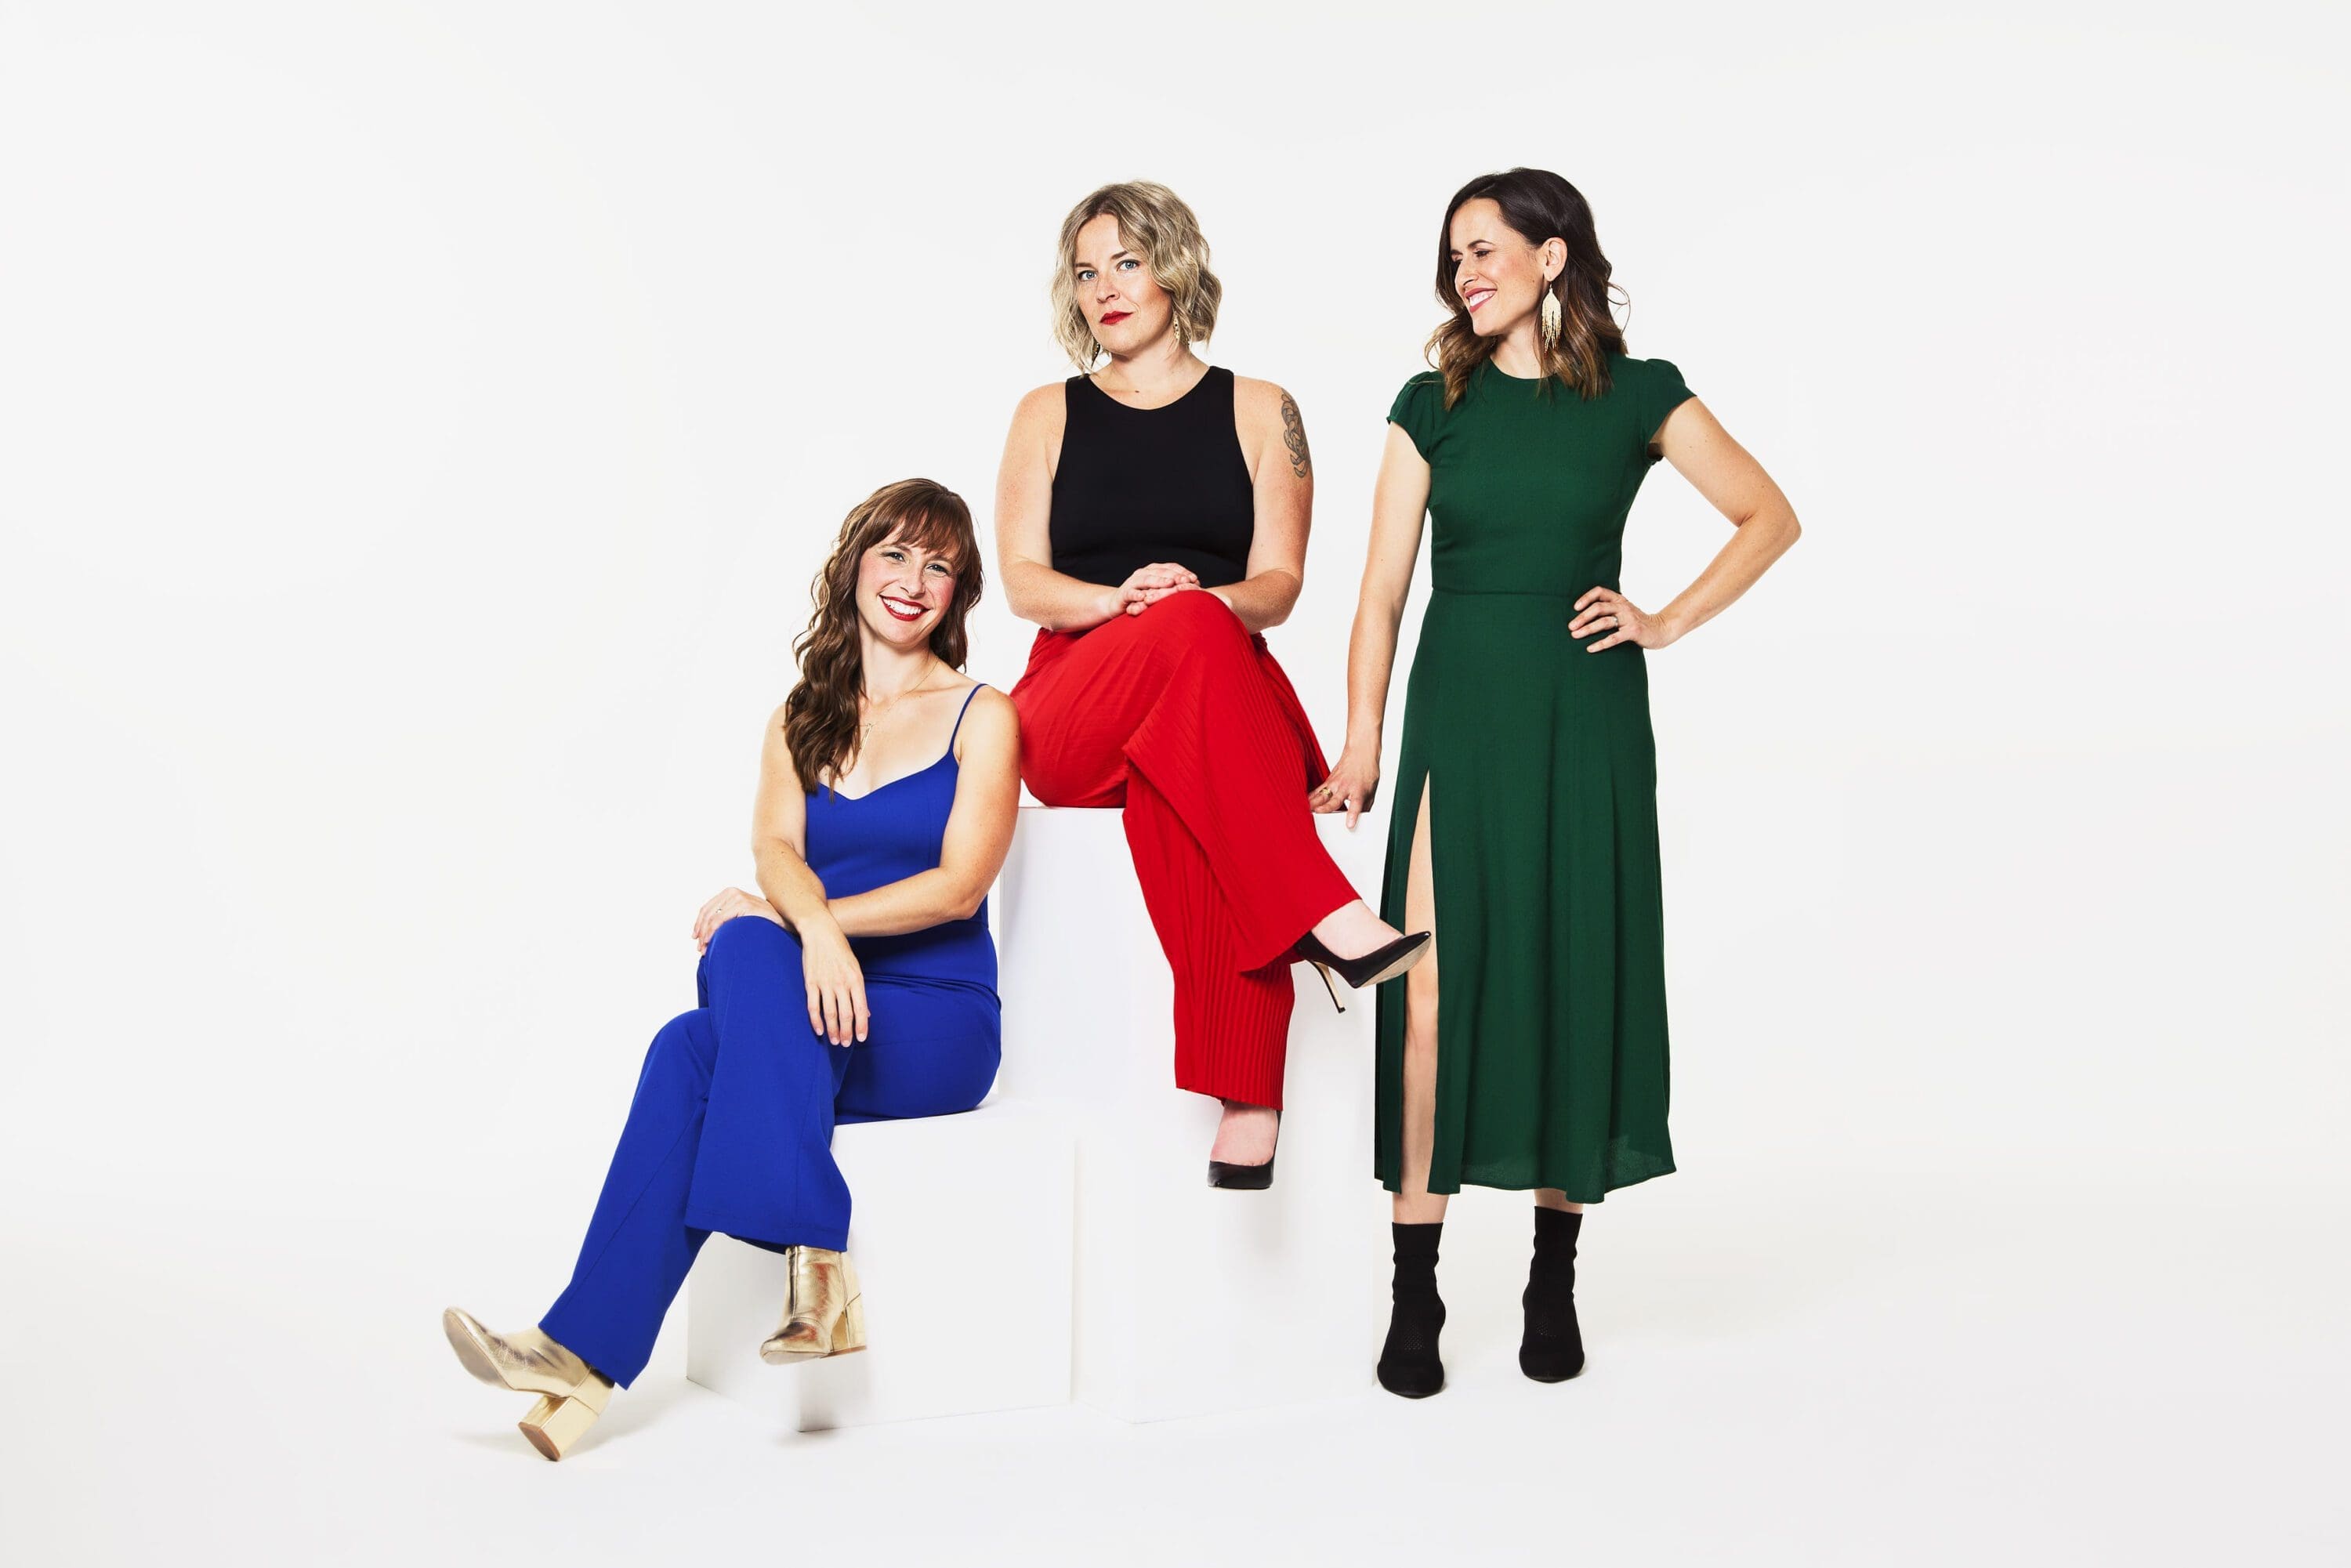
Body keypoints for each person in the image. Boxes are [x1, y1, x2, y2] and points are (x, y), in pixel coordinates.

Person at [1319, 168, 1802, 1396]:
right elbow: (1379, 591)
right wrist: (1364, 741)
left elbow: (1766, 515)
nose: (1464, 272)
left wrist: (1665, 619)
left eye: (1485, 249)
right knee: (1427, 994)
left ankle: (1552, 1273)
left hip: (1583, 715)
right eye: (1452, 257)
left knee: (1565, 978)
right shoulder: (1430, 403)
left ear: (1552, 256)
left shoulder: (1639, 395)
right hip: (1459, 709)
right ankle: (1415, 1291)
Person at [442, 479, 1020, 1458]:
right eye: (894, 554)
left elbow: (960, 888)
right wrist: (813, 937)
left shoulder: (982, 716)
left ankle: (623, 1335)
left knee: (750, 952)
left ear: (958, 593)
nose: (913, 581)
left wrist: (818, 928)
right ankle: (584, 1356)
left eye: (940, 566)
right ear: (855, 568)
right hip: (815, 1002)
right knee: (696, 1031)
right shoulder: (802, 715)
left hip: (933, 1019)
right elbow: (774, 854)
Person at [994, 179, 1429, 1189]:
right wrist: (1128, 603)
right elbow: (1021, 583)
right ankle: (1323, 913)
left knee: (1191, 766)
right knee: (1188, 628)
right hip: (1073, 703)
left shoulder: (1263, 409)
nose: (1105, 288)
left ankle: (1247, 1092)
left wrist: (1199, 608)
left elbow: (1277, 585)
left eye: (1128, 263)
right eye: (1087, 271)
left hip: (1213, 689)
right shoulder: (1045, 413)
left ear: (1175, 266)